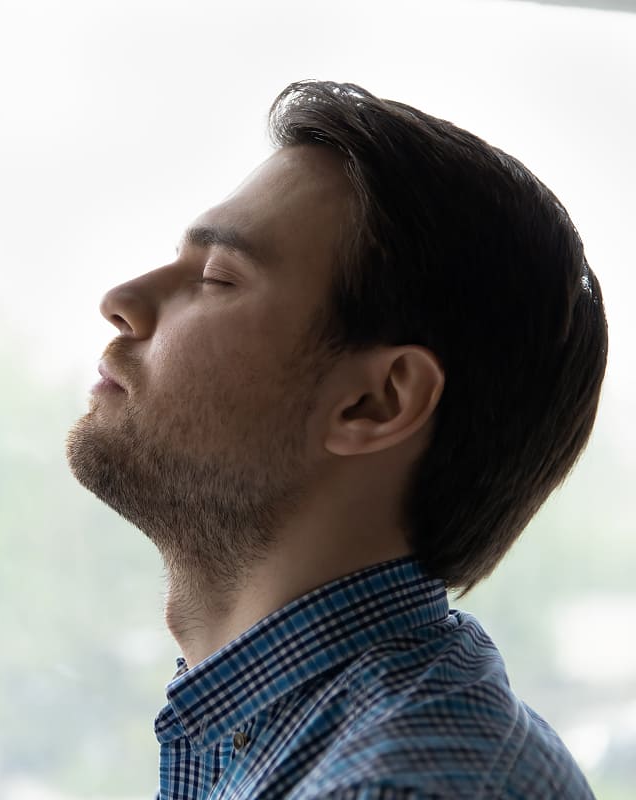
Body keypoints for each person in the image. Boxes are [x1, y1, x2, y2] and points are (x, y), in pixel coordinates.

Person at [65, 80, 606, 799]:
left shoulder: (399, 787)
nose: (122, 300)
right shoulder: (294, 732)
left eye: (220, 276)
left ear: (374, 403)